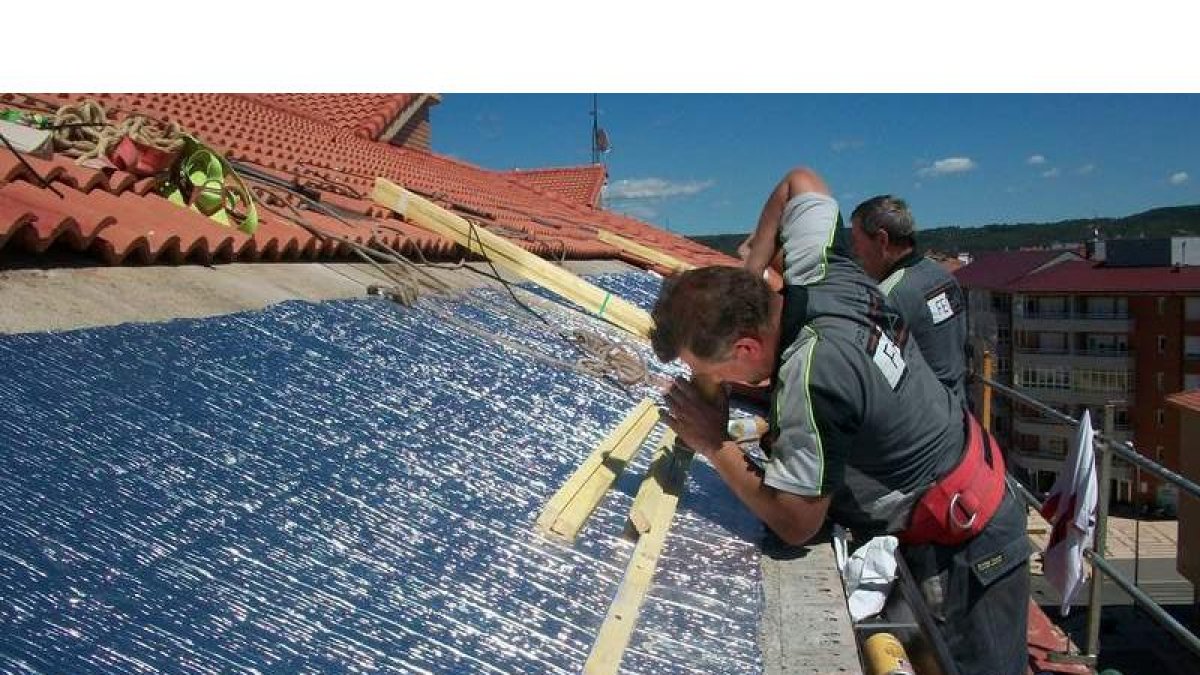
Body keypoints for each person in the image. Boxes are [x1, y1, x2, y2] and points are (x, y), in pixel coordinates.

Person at [652, 168, 1029, 675]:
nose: (713, 383)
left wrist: (714, 442)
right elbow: (798, 183)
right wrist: (749, 273)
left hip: (966, 548)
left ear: (745, 346)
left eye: (710, 372)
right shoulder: (818, 269)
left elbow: (795, 521)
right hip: (975, 480)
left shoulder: (812, 375)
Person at [849, 195, 969, 402]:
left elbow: (869, 378)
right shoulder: (942, 276)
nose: (855, 252)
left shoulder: (888, 296)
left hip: (923, 420)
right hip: (959, 410)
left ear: (882, 240)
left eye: (857, 242)